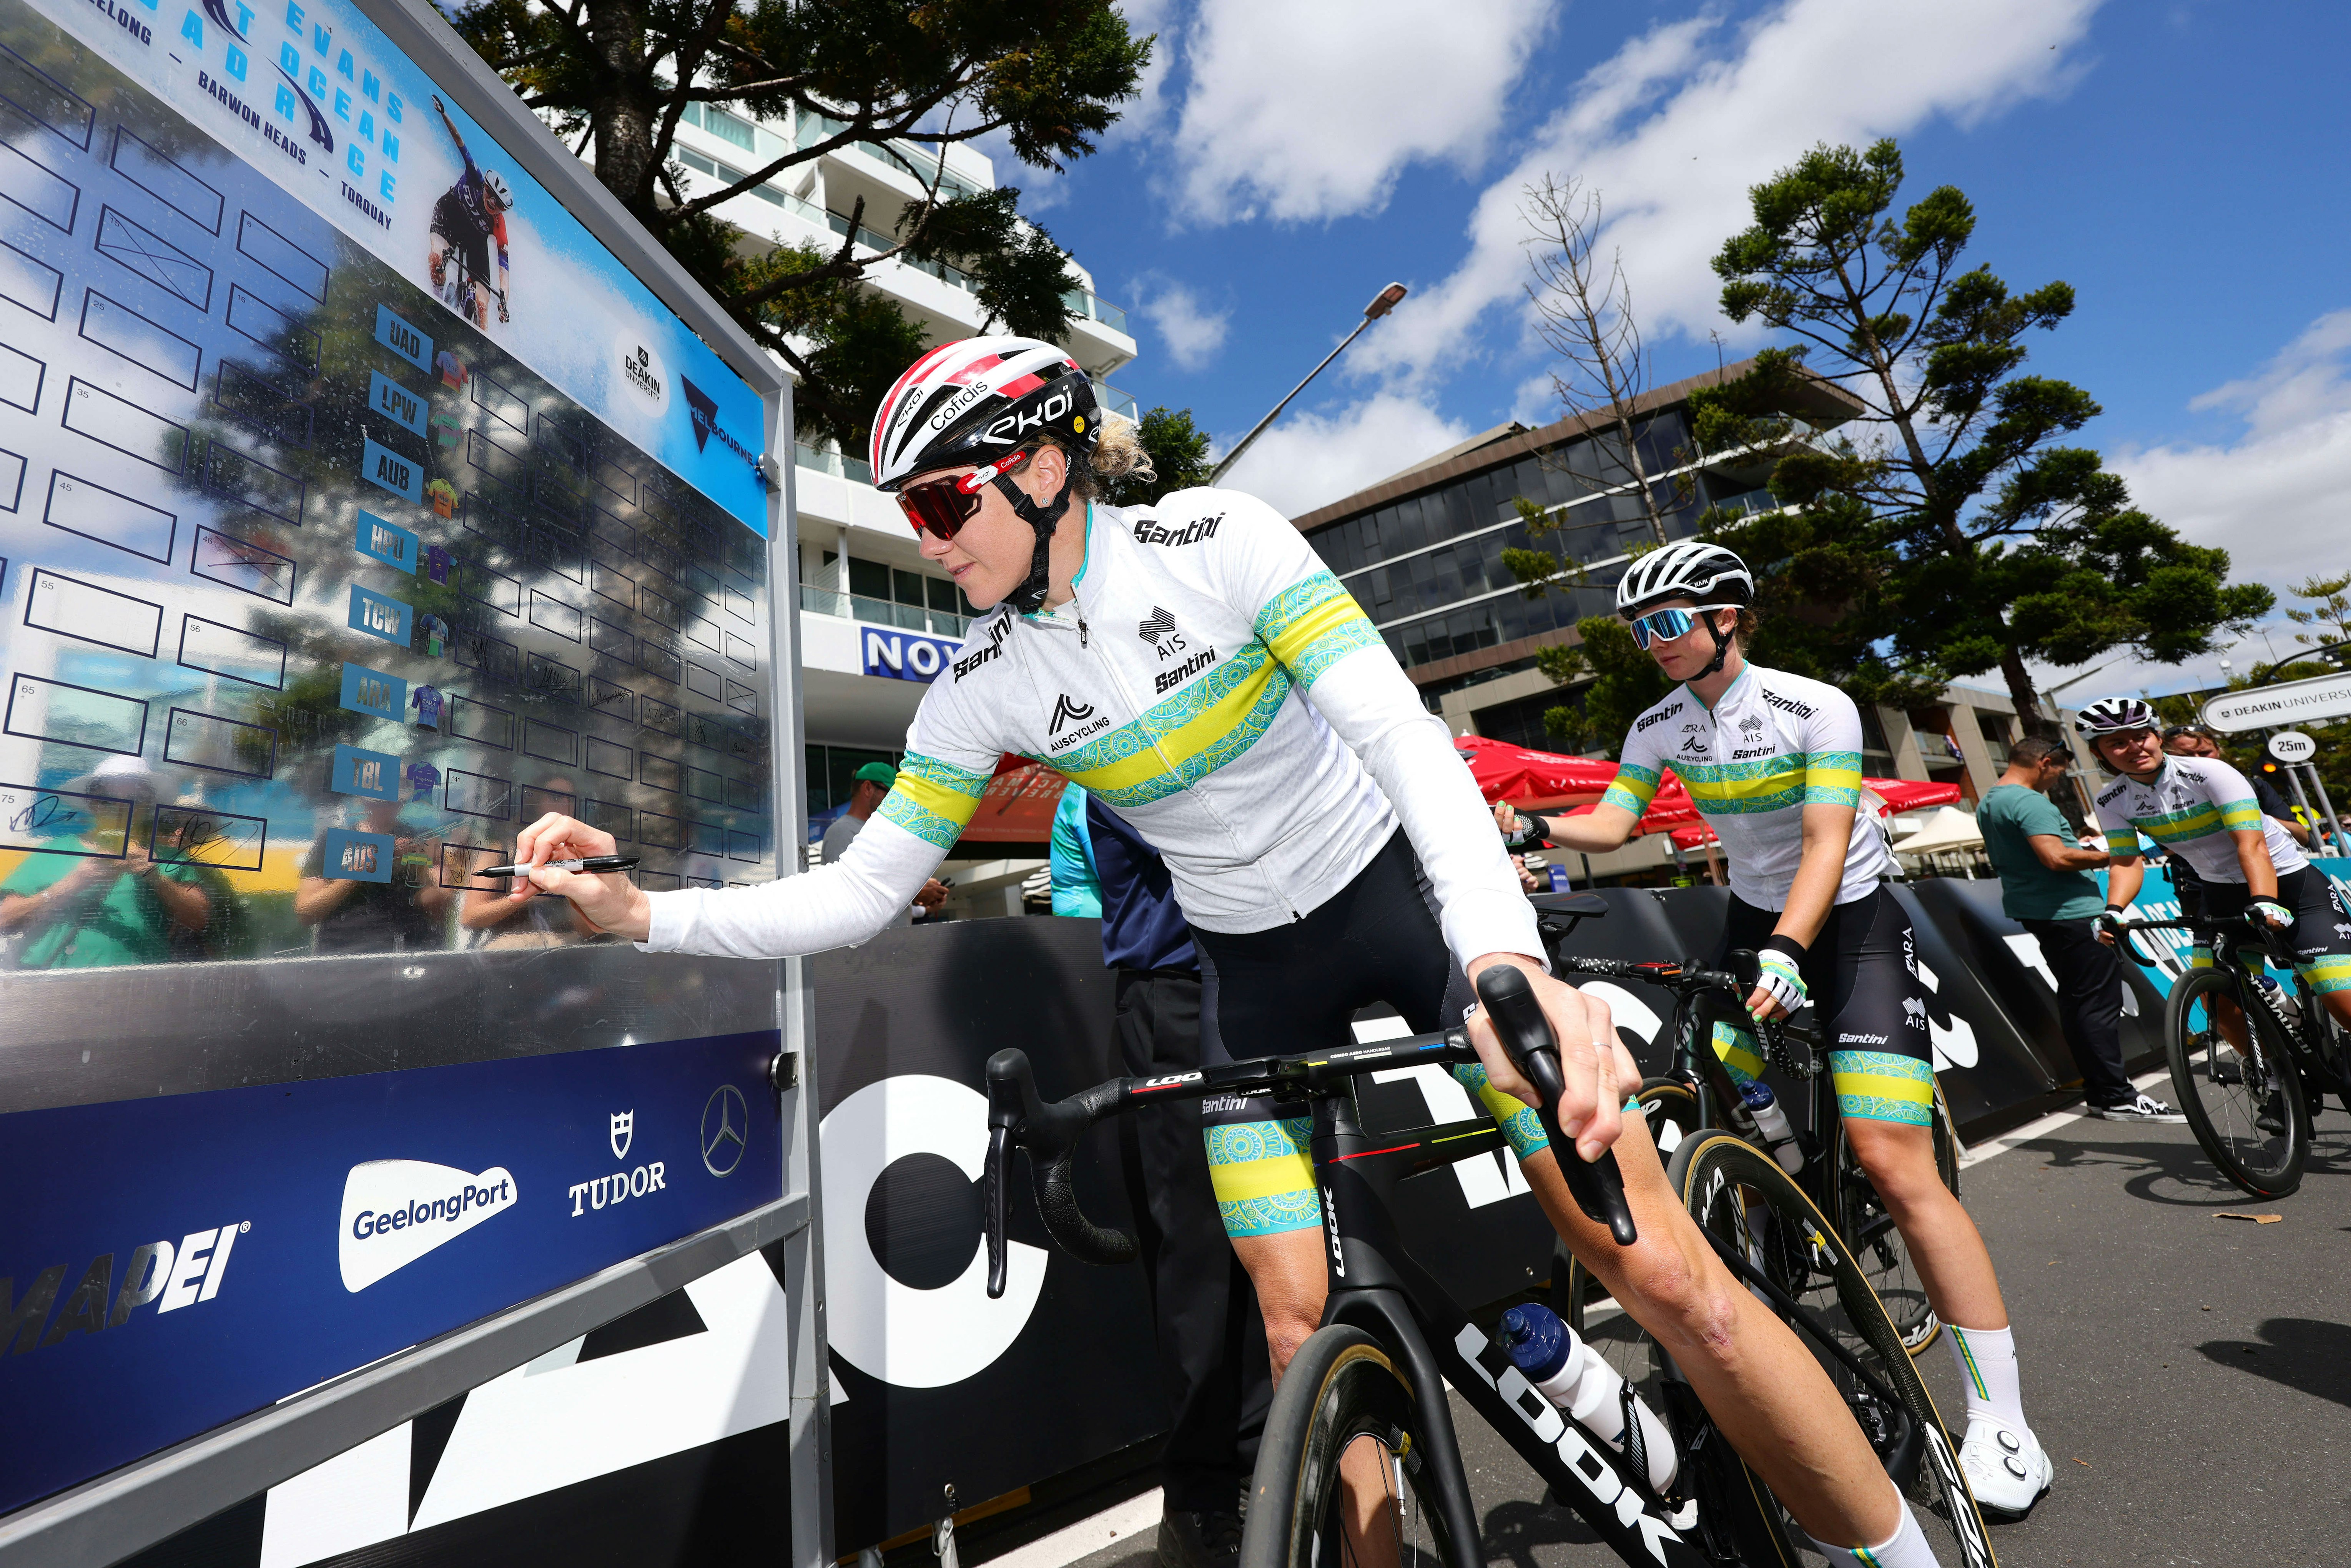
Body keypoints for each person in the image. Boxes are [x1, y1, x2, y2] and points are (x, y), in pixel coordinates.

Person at [492, 336, 1957, 1566]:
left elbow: (1401, 736)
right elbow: (861, 892)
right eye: (911, 515)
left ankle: (1894, 1538)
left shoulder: (1222, 541)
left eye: (944, 500)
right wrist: (645, 912)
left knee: (1657, 1266)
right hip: (1248, 973)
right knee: (1292, 1320)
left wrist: (1506, 955)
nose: (928, 541)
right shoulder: (982, 687)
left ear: (1043, 462)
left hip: (1399, 905)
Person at [1536, 540, 2053, 1523]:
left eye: (1666, 622)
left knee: (1892, 1159)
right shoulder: (1655, 722)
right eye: (1635, 629)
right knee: (1716, 1068)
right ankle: (1776, 1169)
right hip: (1752, 916)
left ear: (1727, 616)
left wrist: (1786, 946)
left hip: (1848, 920)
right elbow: (1613, 823)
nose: (1650, 643)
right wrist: (1531, 834)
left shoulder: (1811, 704)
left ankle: (2002, 1419)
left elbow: (1824, 841)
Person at [1052, 783, 1267, 1568]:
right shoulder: (1119, 750)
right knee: (1201, 1257)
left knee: (1283, 1234)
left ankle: (1284, 1452)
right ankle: (1204, 1496)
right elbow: (1221, 830)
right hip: (1176, 996)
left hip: (1262, 982)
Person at [2083, 700, 2351, 1113]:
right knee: (2214, 999)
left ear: (2156, 735)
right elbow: (2125, 860)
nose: (2134, 747)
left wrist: (2264, 899)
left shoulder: (2209, 773)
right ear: (2097, 754)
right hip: (2219, 894)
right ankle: (2276, 1079)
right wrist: (2114, 909)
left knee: (2341, 1001)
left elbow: (2251, 842)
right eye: (2117, 743)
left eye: (2140, 735)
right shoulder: (2111, 800)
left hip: (2290, 885)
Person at [1978, 737, 2182, 1122]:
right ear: (2044, 761)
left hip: (2042, 912)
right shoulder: (2028, 800)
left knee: (2078, 1004)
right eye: (2059, 771)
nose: (2057, 780)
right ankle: (2115, 1095)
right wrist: (2119, 852)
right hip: (2070, 912)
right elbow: (2054, 858)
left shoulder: (1991, 799)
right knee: (2096, 1006)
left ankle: (2102, 1093)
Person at [0, 759, 211, 968]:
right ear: (92, 804)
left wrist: (157, 878)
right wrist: (75, 882)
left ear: (148, 806)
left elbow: (199, 920)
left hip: (137, 985)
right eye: (108, 800)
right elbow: (6, 920)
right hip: (52, 983)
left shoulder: (167, 858)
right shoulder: (54, 850)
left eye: (135, 800)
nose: (121, 809)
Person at [294, 797, 451, 953]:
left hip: (408, 948)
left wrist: (424, 870)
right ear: (361, 799)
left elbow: (437, 909)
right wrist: (355, 874)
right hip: (344, 951)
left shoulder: (421, 839)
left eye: (392, 796)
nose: (385, 802)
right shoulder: (334, 840)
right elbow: (307, 912)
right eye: (378, 797)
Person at [820, 761, 948, 924]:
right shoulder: (843, 832)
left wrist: (922, 896)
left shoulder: (877, 832)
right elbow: (853, 895)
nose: (898, 802)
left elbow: (885, 895)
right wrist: (915, 891)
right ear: (867, 788)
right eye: (892, 793)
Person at [428, 95, 513, 326]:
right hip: (452, 212)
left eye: (498, 205)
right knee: (437, 261)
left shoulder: (499, 224)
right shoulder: (475, 176)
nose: (492, 205)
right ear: (484, 186)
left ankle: (480, 338)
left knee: (483, 305)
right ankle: (436, 300)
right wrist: (444, 114)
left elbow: (504, 269)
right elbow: (459, 140)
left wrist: (503, 300)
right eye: (490, 197)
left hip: (475, 237)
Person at [2163, 725, 2312, 848]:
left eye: (2205, 753)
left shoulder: (2253, 786)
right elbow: (2160, 850)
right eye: (2186, 756)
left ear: (2218, 752)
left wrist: (2255, 818)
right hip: (2202, 881)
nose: (2197, 761)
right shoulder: (2159, 795)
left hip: (2273, 870)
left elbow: (2302, 836)